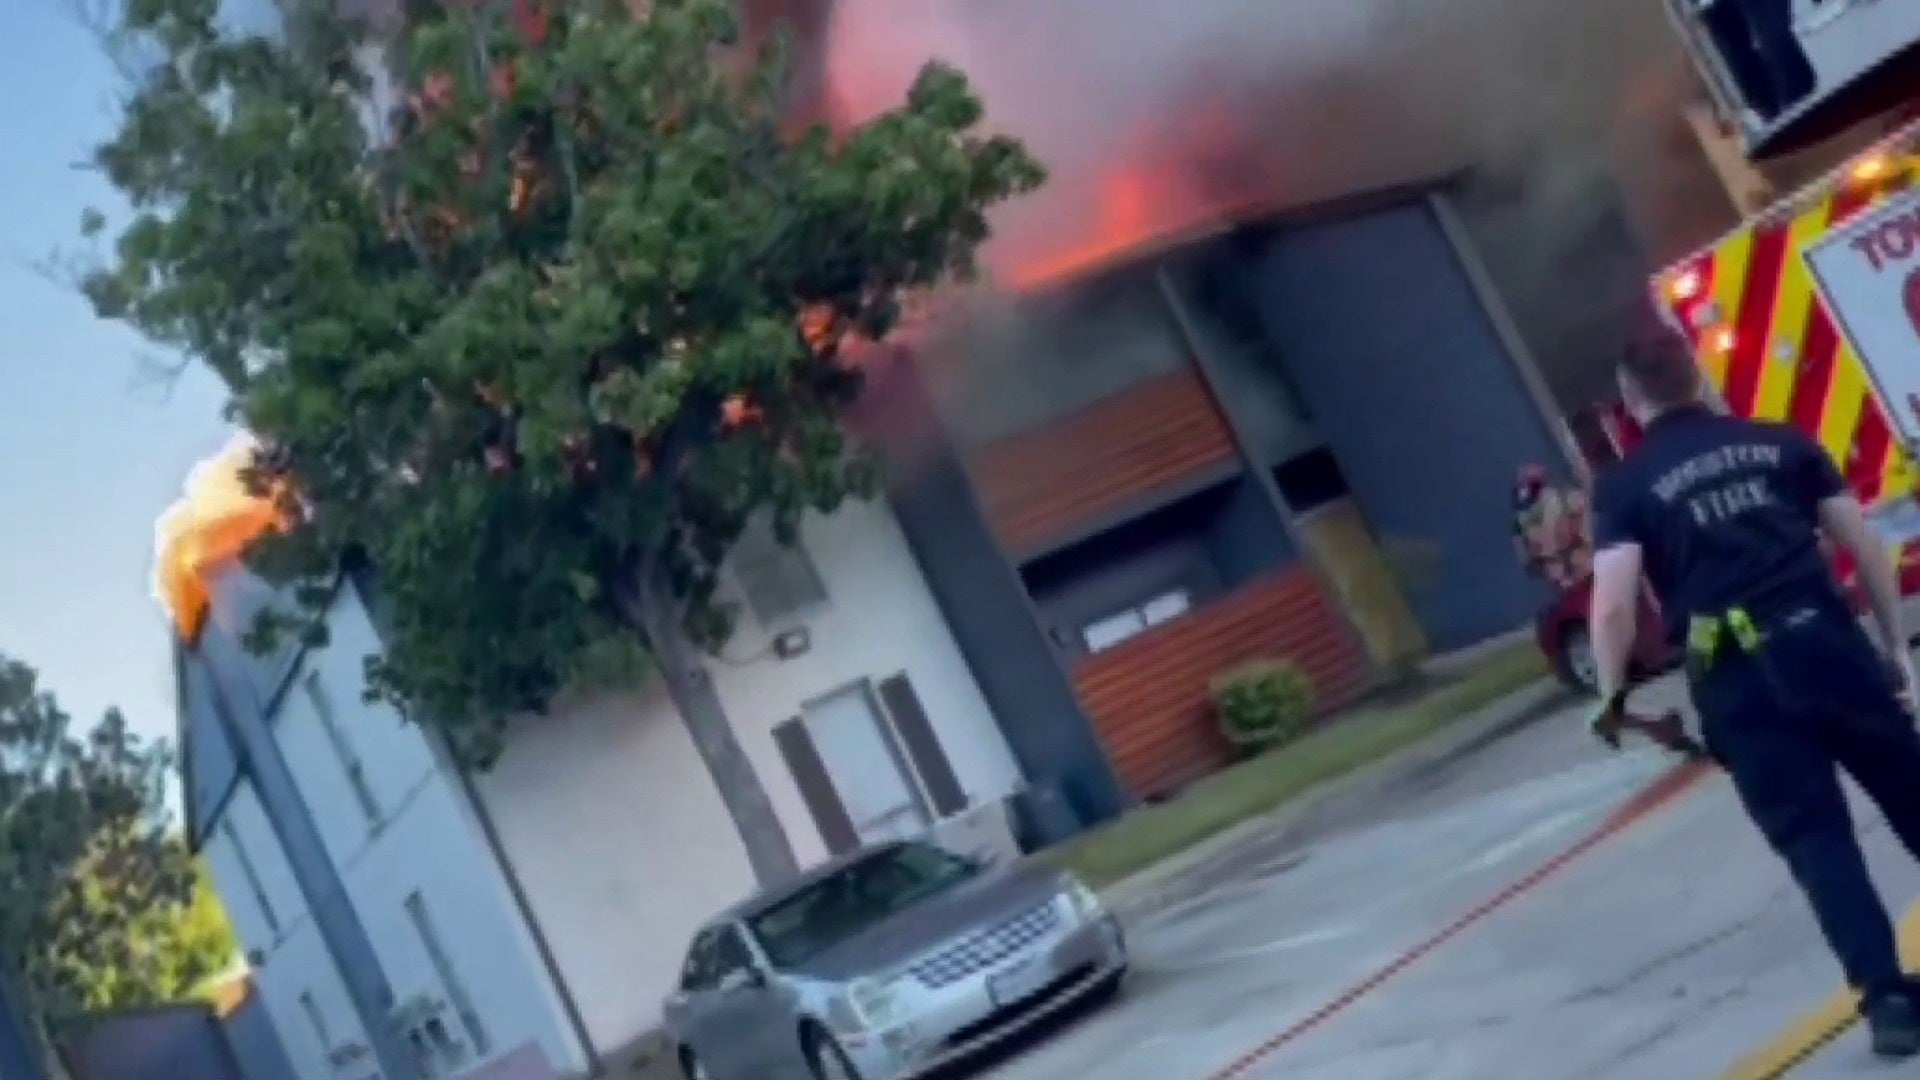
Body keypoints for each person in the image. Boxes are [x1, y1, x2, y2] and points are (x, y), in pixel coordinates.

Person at [1587, 342, 1920, 1058]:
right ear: (1699, 380)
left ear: (1632, 402)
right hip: (1827, 645)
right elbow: (1861, 541)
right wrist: (1895, 649)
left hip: (1735, 680)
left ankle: (1889, 1000)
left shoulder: (1624, 486)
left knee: (1817, 840)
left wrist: (1612, 698)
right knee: (1910, 790)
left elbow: (1612, 605)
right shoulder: (1780, 444)